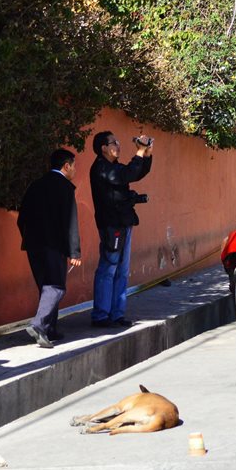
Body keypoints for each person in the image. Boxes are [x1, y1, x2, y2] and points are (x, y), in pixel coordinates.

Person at [17, 149, 82, 349]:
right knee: (56, 286)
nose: (74, 170)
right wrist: (74, 252)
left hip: (34, 244)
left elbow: (22, 218)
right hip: (55, 245)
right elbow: (70, 221)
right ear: (66, 166)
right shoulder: (65, 188)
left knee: (45, 287)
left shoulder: (35, 185)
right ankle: (38, 324)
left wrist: (28, 238)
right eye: (73, 165)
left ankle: (50, 328)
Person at [89, 130, 153, 328]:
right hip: (111, 225)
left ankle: (117, 314)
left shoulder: (113, 166)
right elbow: (126, 175)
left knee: (122, 271)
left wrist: (147, 153)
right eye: (113, 142)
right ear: (103, 148)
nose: (118, 145)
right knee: (108, 269)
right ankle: (101, 315)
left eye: (118, 141)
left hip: (124, 223)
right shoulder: (101, 168)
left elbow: (137, 173)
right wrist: (139, 153)